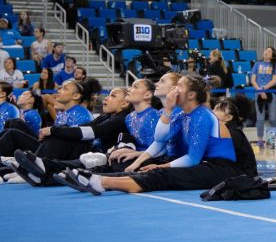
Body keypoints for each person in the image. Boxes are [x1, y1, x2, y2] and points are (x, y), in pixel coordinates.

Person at [59, 76, 248, 195]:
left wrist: (161, 164)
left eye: (179, 86)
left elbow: (193, 158)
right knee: (150, 170)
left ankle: (101, 182)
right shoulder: (183, 115)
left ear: (191, 96)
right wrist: (167, 109)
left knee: (162, 174)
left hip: (221, 169)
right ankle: (93, 176)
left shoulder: (202, 116)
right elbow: (160, 138)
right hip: (205, 165)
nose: (174, 90)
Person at [251, 47, 276, 142]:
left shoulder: (274, 65)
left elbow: (274, 81)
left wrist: (263, 89)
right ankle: (260, 140)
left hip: (271, 93)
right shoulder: (257, 64)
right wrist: (260, 90)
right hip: (258, 93)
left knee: (273, 117)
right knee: (260, 118)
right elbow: (253, 80)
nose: (266, 52)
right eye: (265, 50)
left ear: (272, 55)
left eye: (269, 51)